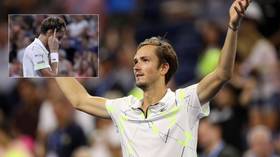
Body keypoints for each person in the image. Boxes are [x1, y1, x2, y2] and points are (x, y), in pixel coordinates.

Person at [55, 0, 251, 156]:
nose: (136, 65)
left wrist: (232, 27)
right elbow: (80, 100)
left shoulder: (185, 101)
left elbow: (222, 74)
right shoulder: (124, 108)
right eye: (135, 61)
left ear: (163, 67)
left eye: (145, 60)